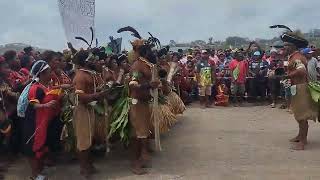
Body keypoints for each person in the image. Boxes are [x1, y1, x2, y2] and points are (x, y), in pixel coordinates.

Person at [72, 50, 108, 177]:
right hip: (82, 110)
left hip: (89, 109)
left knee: (89, 139)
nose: (95, 61)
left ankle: (89, 165)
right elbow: (81, 97)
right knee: (83, 141)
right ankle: (84, 168)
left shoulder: (90, 74)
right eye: (92, 59)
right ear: (86, 61)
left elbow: (94, 89)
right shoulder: (81, 76)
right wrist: (97, 95)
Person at [21, 60, 58, 180]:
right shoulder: (35, 88)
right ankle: (34, 175)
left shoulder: (44, 86)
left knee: (40, 147)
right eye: (49, 72)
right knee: (32, 148)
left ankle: (39, 171)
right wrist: (45, 106)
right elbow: (34, 105)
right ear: (42, 74)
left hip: (41, 122)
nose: (51, 74)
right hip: (32, 123)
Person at [281, 31, 318, 150]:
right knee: (298, 115)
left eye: (286, 45)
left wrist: (287, 76)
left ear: (293, 46)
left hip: (300, 88)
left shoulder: (297, 57)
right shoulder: (294, 56)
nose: (284, 47)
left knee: (302, 116)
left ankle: (302, 142)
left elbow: (301, 71)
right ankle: (300, 136)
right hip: (297, 88)